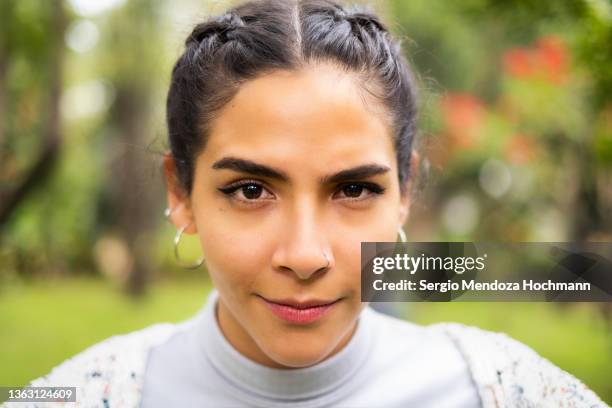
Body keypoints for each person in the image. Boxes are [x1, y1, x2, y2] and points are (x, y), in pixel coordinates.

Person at [18, 0, 607, 407]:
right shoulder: (87, 392)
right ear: (181, 194)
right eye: (251, 190)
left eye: (354, 189)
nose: (304, 256)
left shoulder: (508, 390)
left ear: (405, 192)